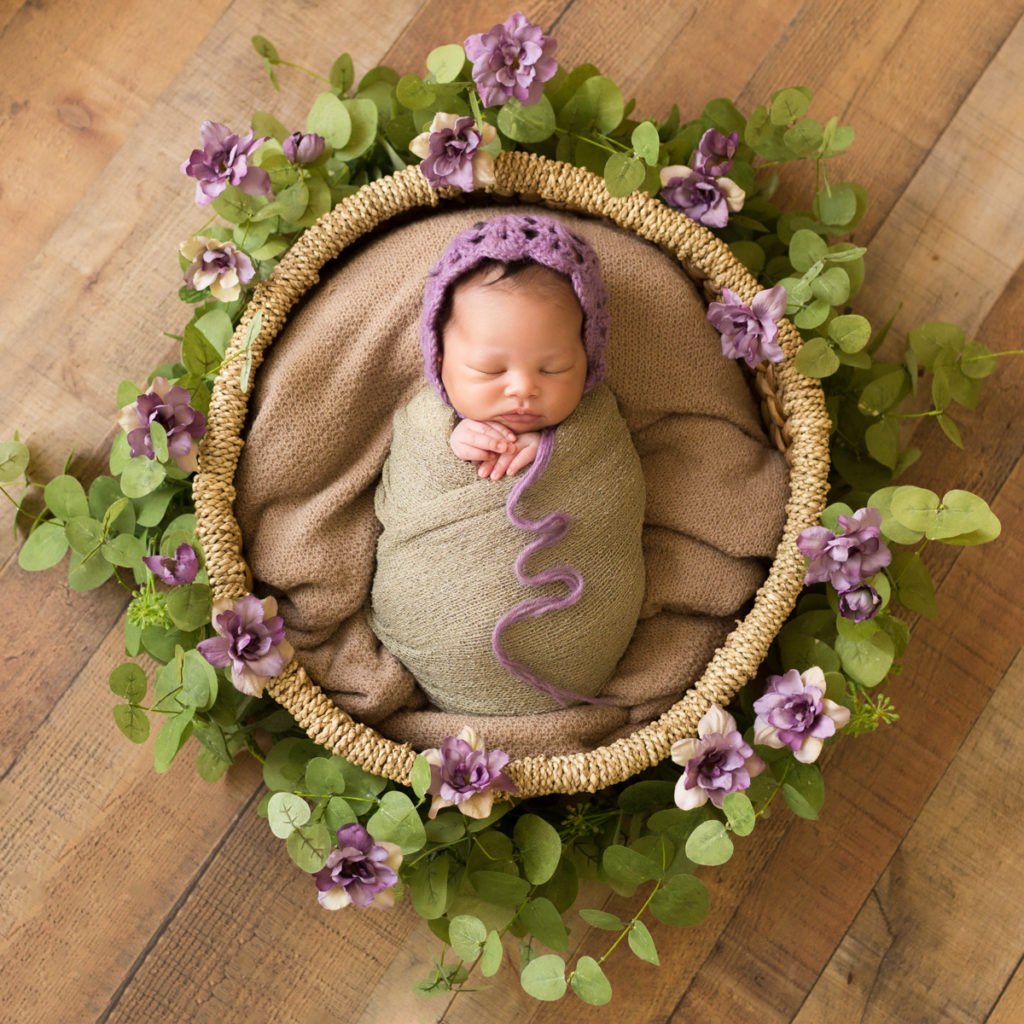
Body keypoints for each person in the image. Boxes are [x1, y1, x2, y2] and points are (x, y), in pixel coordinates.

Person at [370, 213, 646, 715]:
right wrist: (449, 446)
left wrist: (553, 454)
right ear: (439, 358)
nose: (523, 388)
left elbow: (616, 495)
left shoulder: (596, 427)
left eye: (554, 368)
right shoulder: (425, 425)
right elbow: (401, 493)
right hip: (438, 622)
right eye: (489, 370)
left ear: (587, 358)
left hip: (574, 638)